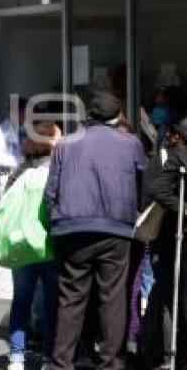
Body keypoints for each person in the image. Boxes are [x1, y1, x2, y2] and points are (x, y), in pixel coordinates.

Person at [44, 92, 146, 370]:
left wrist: (53, 221)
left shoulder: (65, 143)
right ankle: (111, 362)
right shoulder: (131, 144)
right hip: (116, 229)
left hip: (72, 227)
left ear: (89, 115)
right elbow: (141, 187)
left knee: (71, 298)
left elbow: (50, 192)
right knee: (113, 297)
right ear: (116, 118)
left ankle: (61, 361)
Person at [5, 122, 62, 370]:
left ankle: (16, 357)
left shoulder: (20, 173)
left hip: (22, 247)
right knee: (52, 305)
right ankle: (49, 357)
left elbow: (5, 207)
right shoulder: (59, 172)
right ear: (50, 143)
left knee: (21, 302)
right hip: (50, 246)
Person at [143, 117, 187, 368]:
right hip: (170, 236)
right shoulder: (169, 158)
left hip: (171, 236)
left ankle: (160, 349)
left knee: (164, 292)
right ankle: (160, 349)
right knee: (165, 291)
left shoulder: (171, 156)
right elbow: (158, 191)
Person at [0, 98, 27, 296]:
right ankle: (3, 285)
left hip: (22, 183)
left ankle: (18, 282)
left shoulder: (28, 131)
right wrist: (20, 161)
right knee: (4, 232)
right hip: (5, 182)